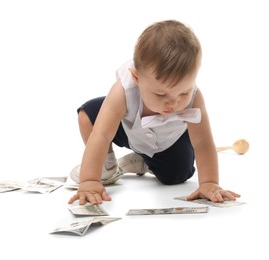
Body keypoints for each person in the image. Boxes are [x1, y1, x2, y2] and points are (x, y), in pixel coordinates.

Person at [68, 20, 240, 205]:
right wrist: (90, 181)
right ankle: (107, 165)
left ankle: (146, 162)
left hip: (168, 142)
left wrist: (209, 182)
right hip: (127, 128)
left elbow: (203, 141)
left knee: (176, 175)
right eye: (161, 94)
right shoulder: (123, 91)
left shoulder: (195, 97)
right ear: (137, 78)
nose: (173, 103)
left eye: (183, 92)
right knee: (88, 116)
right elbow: (101, 135)